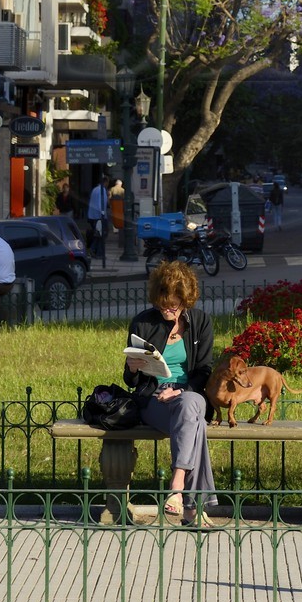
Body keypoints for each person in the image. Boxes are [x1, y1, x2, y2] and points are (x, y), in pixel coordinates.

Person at [124, 260, 218, 526]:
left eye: (173, 306)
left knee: (190, 405)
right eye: (162, 305)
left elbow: (204, 370)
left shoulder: (200, 322)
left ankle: (177, 486)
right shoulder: (142, 323)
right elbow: (131, 381)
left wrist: (179, 389)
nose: (166, 310)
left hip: (189, 392)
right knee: (195, 423)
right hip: (154, 397)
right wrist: (132, 368)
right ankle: (192, 510)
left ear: (186, 301)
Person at [86, 173, 109, 267]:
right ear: (105, 182)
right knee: (102, 235)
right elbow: (102, 204)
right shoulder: (102, 190)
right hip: (99, 216)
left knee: (98, 234)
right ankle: (97, 251)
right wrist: (102, 215)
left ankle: (95, 250)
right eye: (108, 182)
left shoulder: (94, 189)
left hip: (91, 216)